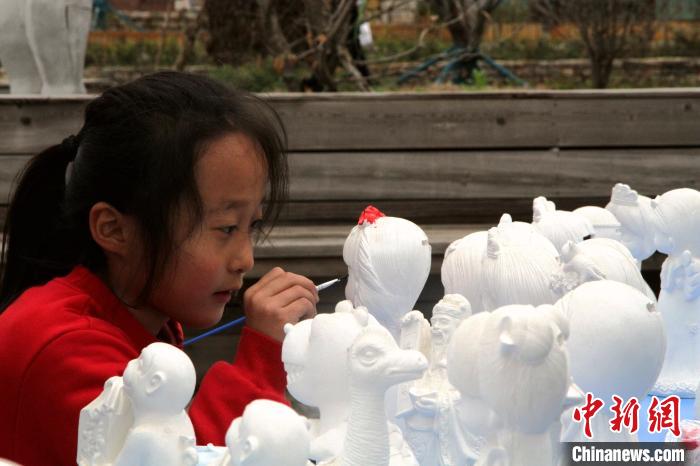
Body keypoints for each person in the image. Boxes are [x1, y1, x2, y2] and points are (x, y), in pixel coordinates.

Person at [0, 71, 319, 466]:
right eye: (225, 228)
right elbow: (186, 457)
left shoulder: (137, 319)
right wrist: (261, 358)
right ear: (114, 230)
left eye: (250, 226)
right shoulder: (65, 350)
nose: (245, 260)